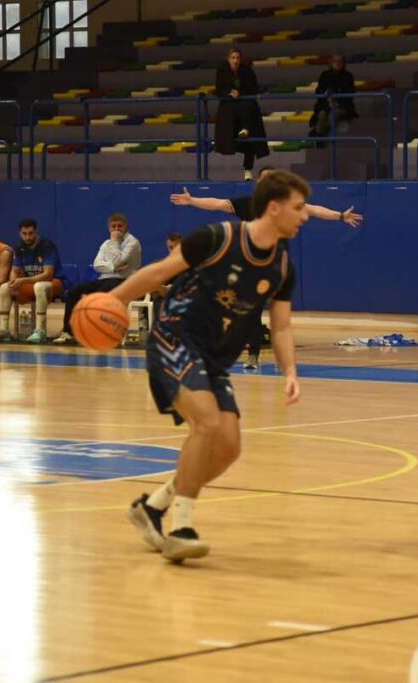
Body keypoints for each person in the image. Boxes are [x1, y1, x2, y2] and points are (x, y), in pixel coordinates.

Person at [121, 169, 309, 563]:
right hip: (175, 338)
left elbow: (281, 326)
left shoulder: (283, 265)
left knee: (227, 448)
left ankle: (153, 507)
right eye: (299, 207)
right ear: (274, 209)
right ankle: (181, 527)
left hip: (215, 358)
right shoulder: (217, 237)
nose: (304, 215)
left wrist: (290, 371)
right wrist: (112, 300)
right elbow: (159, 272)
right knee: (206, 422)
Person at [170, 165, 362, 368]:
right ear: (258, 183)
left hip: (278, 265)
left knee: (280, 317)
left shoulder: (286, 204)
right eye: (265, 179)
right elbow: (218, 204)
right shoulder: (248, 205)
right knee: (251, 311)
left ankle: (284, 362)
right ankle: (252, 353)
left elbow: (313, 210)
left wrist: (340, 216)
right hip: (253, 267)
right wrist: (192, 201)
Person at [53, 213, 142, 345]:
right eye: (114, 226)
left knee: (103, 292)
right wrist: (113, 268)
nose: (117, 229)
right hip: (106, 278)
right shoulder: (106, 244)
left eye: (120, 226)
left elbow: (117, 260)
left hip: (126, 280)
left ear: (126, 226)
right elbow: (97, 264)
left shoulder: (133, 243)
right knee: (74, 292)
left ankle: (103, 332)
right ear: (108, 228)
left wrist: (114, 241)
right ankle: (69, 332)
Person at [0, 219, 65, 343]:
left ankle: (40, 330)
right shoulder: (19, 247)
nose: (27, 237)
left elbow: (48, 274)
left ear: (36, 231)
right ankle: (4, 331)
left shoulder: (47, 245)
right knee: (5, 287)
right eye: (24, 234)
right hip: (31, 283)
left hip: (54, 282)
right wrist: (14, 282)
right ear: (20, 233)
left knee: (40, 286)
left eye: (30, 233)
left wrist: (23, 280)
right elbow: (14, 270)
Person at [214, 47, 270, 181]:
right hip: (229, 111)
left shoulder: (247, 71)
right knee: (235, 137)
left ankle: (248, 169)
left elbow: (253, 88)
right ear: (228, 59)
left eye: (238, 58)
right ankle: (244, 129)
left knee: (250, 140)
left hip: (247, 110)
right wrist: (230, 93)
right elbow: (219, 89)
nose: (236, 61)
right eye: (233, 58)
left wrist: (241, 94)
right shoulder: (221, 71)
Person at [310, 53, 358, 138]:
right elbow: (319, 91)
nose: (338, 63)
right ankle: (319, 136)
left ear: (344, 63)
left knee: (335, 114)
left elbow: (350, 93)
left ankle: (318, 134)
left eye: (340, 61)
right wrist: (327, 98)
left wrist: (337, 101)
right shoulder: (325, 75)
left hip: (342, 105)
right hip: (326, 104)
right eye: (335, 61)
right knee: (322, 114)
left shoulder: (348, 76)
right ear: (331, 62)